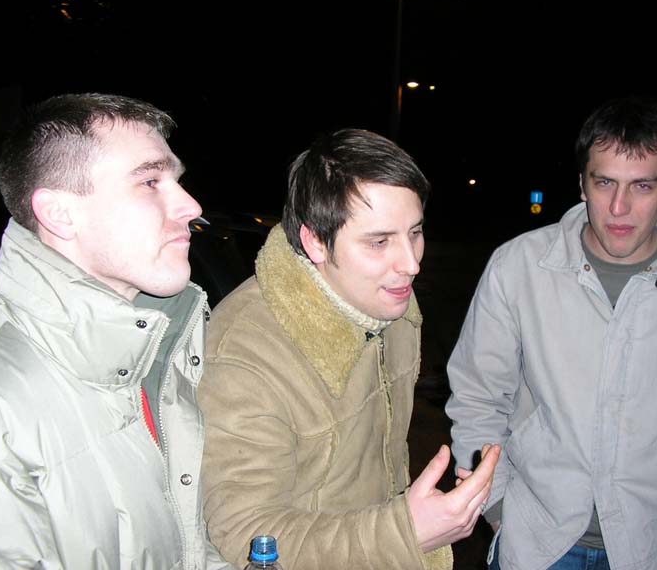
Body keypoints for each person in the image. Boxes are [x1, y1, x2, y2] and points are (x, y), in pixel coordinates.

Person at [446, 96, 657, 570]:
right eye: (604, 182)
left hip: (651, 546)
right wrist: (498, 504)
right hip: (534, 542)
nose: (619, 207)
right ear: (582, 184)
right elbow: (477, 396)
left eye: (643, 186)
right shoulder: (518, 266)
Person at [0, 93, 234, 569]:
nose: (191, 206)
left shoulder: (158, 347)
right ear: (60, 214)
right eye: (150, 181)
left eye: (177, 180)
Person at [199, 129, 500, 569]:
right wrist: (405, 532)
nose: (411, 263)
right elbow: (247, 535)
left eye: (415, 232)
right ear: (315, 242)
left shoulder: (392, 309)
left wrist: (424, 516)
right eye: (379, 241)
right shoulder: (246, 353)